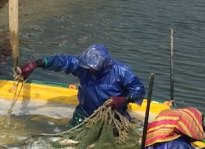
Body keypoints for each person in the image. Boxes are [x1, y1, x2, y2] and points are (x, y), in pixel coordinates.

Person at [17, 44, 145, 125]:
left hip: (113, 115)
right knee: (71, 139)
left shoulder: (121, 71)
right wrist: (37, 64)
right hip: (84, 113)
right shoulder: (82, 66)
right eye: (87, 66)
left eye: (92, 67)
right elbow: (61, 61)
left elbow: (138, 90)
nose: (89, 69)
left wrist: (124, 99)